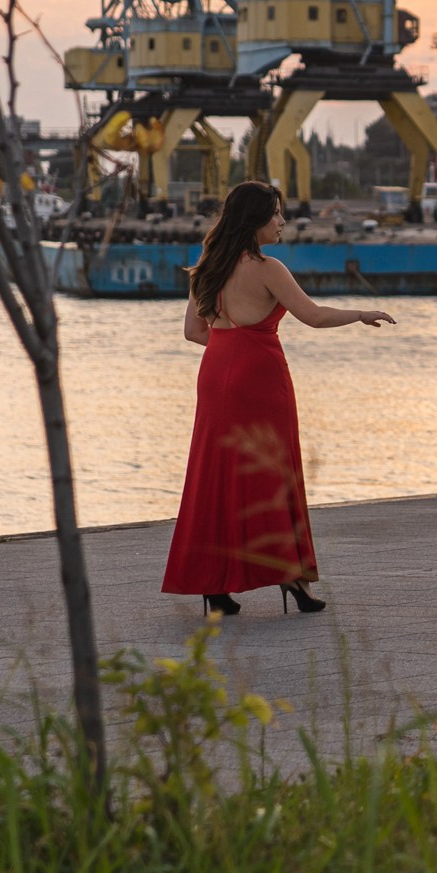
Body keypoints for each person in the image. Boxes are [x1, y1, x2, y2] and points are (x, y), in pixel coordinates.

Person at [164, 181, 395, 617]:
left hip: (215, 373)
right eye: (275, 214)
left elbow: (193, 332)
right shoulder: (268, 268)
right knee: (272, 472)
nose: (283, 222)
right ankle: (291, 577)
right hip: (260, 378)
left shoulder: (209, 264)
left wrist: (227, 351)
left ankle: (213, 586)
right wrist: (361, 313)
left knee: (214, 475)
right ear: (255, 221)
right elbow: (313, 315)